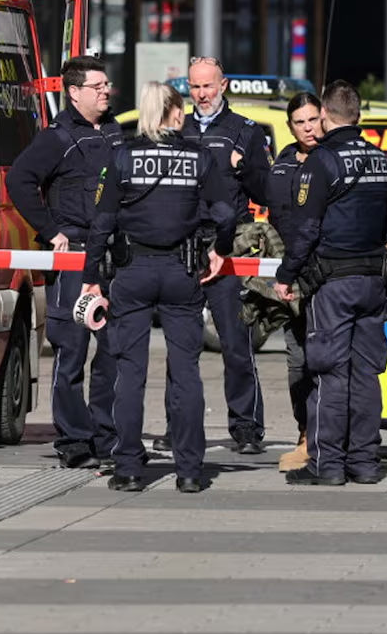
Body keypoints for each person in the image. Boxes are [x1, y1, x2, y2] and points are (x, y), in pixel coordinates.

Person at [85, 83, 240, 493]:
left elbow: (101, 223)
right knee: (186, 372)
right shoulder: (199, 157)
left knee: (130, 372)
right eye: (182, 110)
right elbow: (226, 215)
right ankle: (189, 470)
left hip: (132, 272)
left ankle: (129, 469)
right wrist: (219, 251)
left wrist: (91, 278)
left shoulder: (124, 155)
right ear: (173, 113)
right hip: (181, 271)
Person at [276, 80, 387, 486]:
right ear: (359, 115)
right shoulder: (382, 160)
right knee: (366, 372)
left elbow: (306, 228)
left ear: (325, 115)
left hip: (334, 282)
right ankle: (365, 463)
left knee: (330, 372)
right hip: (374, 281)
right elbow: (385, 226)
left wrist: (286, 274)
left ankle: (327, 466)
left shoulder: (322, 161)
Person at [8, 55, 122, 469]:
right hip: (73, 258)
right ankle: (74, 439)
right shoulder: (56, 137)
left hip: (112, 259)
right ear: (74, 93)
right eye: (98, 86)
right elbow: (19, 180)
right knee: (71, 351)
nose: (106, 91)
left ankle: (107, 435)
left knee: (113, 350)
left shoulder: (113, 131)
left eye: (107, 85)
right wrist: (50, 231)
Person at [175, 56, 272, 456]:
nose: (201, 95)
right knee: (182, 345)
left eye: (208, 86)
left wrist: (245, 167)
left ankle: (246, 427)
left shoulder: (245, 132)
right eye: (194, 87)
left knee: (235, 342)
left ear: (224, 85)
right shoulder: (175, 127)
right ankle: (178, 425)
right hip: (182, 243)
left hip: (227, 246)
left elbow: (264, 192)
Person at [245, 91, 323, 473]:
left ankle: (327, 438)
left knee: (327, 362)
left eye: (313, 119)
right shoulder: (282, 164)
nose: (308, 128)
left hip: (326, 278)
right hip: (289, 281)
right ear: (290, 127)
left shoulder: (331, 159)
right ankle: (305, 433)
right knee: (297, 363)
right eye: (300, 122)